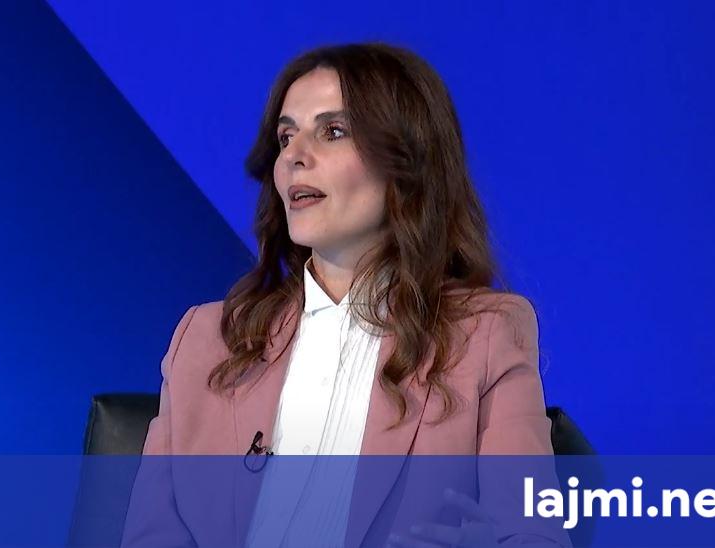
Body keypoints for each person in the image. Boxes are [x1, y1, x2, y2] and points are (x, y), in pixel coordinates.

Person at [122, 42, 570, 548]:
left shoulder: (484, 335)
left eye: (332, 131)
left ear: (405, 162)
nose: (294, 156)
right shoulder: (206, 338)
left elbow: (533, 534)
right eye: (285, 136)